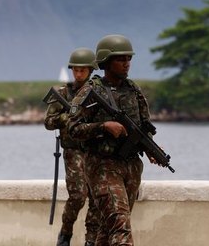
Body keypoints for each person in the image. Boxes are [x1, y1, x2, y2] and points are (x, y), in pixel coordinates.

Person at [67, 35, 156, 246]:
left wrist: (151, 147)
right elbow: (72, 128)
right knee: (120, 225)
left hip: (131, 166)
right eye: (120, 59)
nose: (126, 63)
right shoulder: (91, 91)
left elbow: (144, 127)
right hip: (102, 166)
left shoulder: (134, 91)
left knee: (108, 230)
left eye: (128, 59)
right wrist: (103, 126)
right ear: (106, 62)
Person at [44, 48, 99, 246]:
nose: (78, 74)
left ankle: (91, 239)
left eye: (82, 70)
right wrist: (70, 116)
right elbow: (49, 122)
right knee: (77, 195)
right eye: (75, 70)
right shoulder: (64, 93)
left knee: (96, 197)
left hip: (94, 149)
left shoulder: (98, 93)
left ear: (90, 70)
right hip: (73, 149)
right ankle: (65, 233)